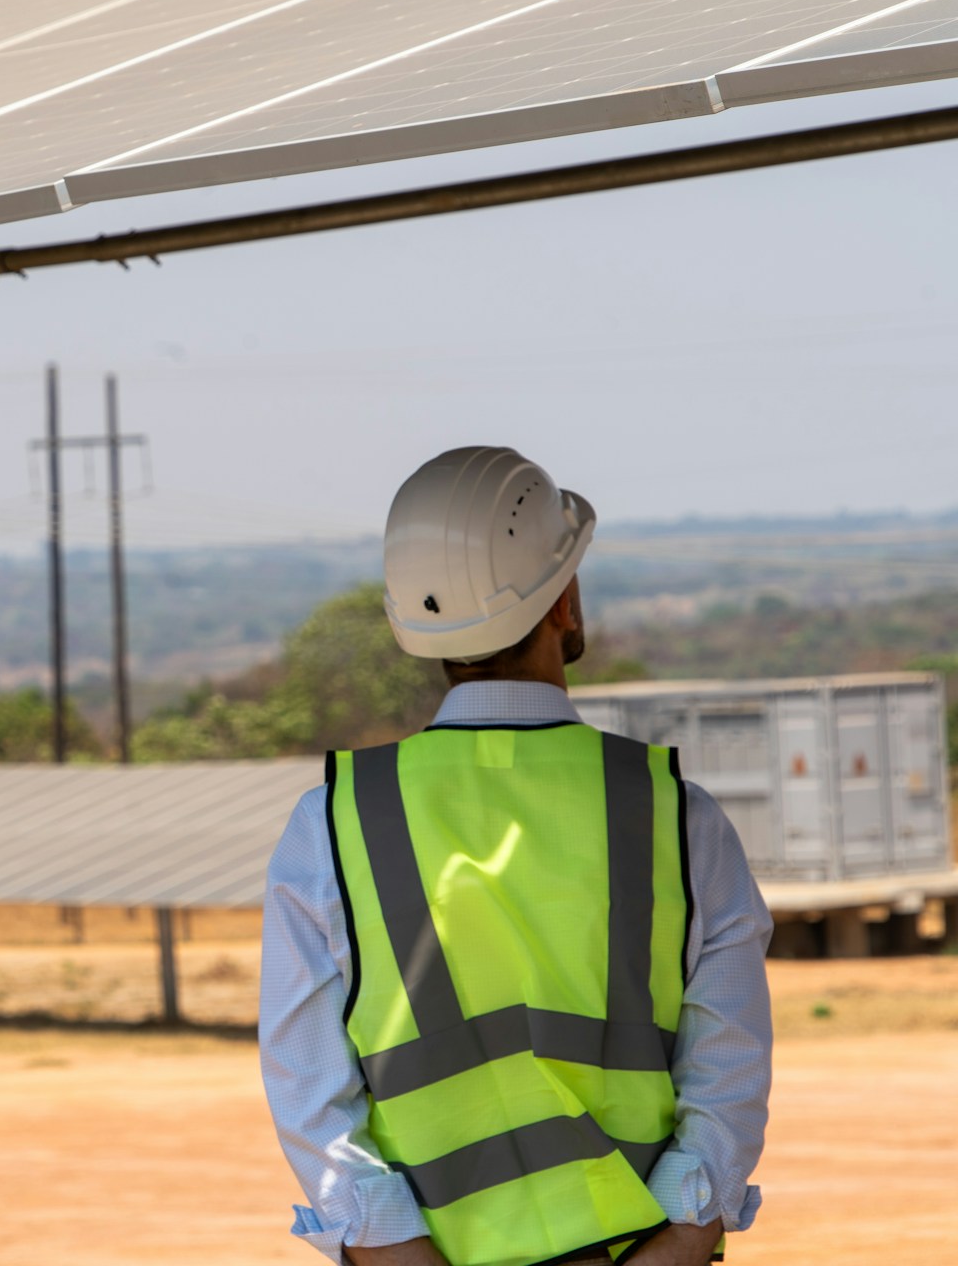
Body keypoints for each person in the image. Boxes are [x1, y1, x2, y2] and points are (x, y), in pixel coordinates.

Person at [260, 447, 771, 1266]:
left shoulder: (334, 823)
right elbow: (729, 1071)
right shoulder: (678, 818)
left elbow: (310, 1090)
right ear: (564, 600)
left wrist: (397, 1248)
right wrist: (676, 1238)